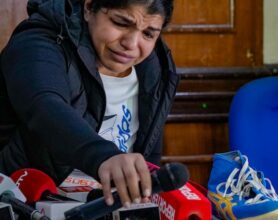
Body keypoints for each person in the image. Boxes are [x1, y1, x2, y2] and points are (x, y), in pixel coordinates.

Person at [0, 0, 178, 208]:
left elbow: (148, 152)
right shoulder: (37, 42)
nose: (131, 44)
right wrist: (105, 156)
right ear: (88, 7)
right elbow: (44, 105)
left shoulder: (154, 67)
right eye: (120, 23)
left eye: (148, 34)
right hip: (25, 205)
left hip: (107, 208)